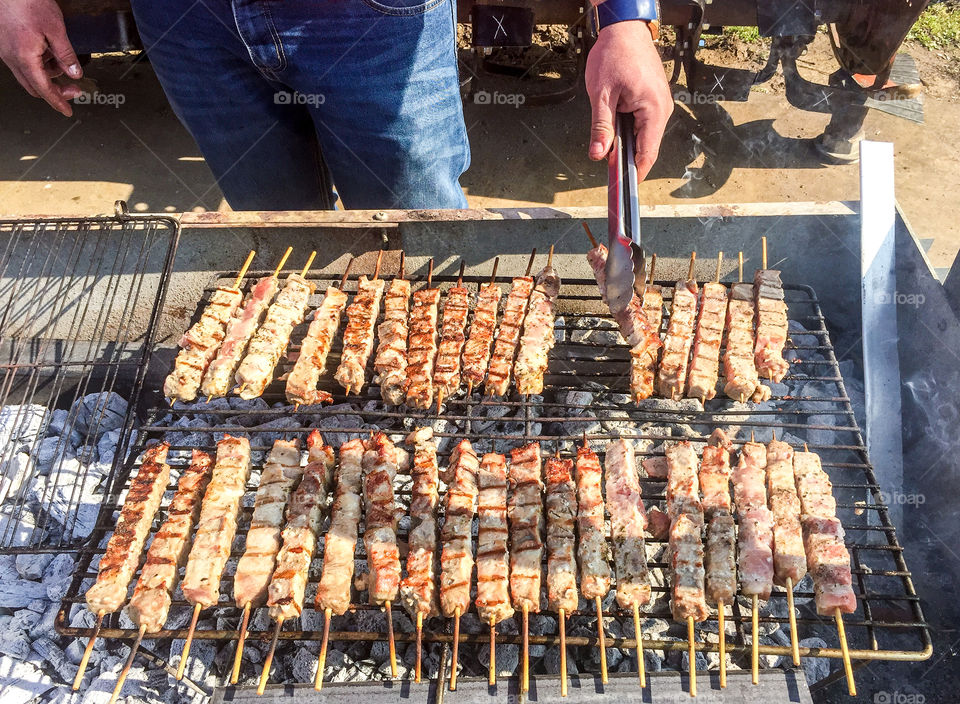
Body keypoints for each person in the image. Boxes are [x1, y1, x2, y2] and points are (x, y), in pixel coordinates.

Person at [0, 0, 672, 210]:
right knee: (284, 237)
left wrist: (623, 16)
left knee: (420, 247)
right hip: (187, 21)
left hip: (374, 17)